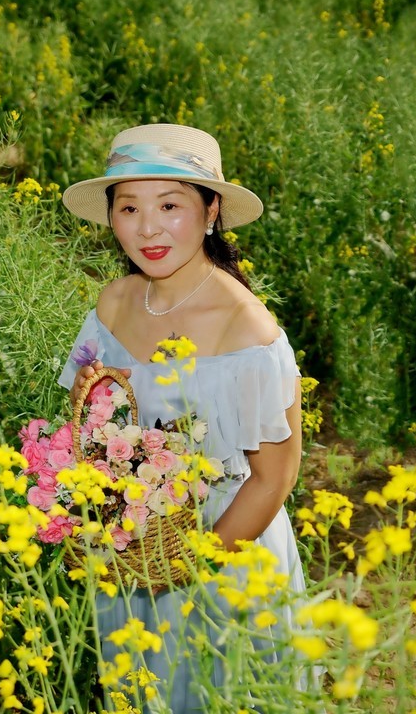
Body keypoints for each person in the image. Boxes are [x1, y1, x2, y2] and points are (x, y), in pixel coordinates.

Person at [56, 123, 313, 711]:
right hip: (132, 551)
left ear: (211, 211)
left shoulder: (246, 328)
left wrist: (183, 567)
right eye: (129, 207)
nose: (147, 227)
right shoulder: (113, 302)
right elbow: (86, 417)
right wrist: (92, 408)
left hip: (223, 556)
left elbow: (275, 478)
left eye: (169, 205)